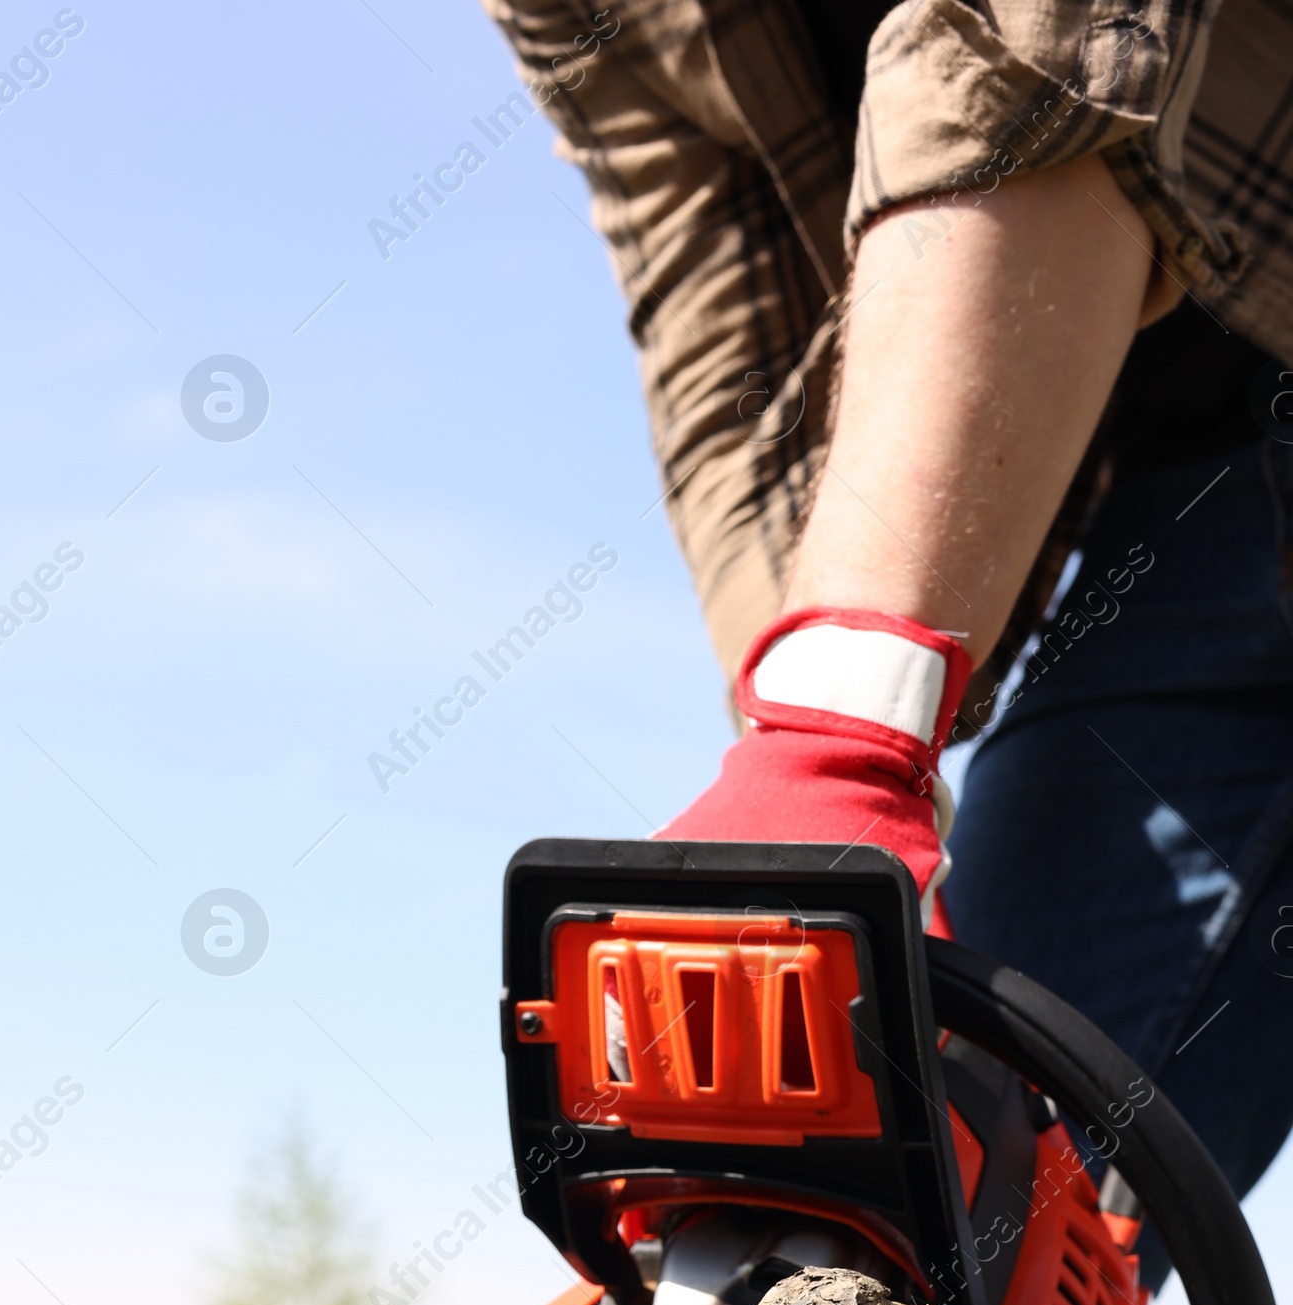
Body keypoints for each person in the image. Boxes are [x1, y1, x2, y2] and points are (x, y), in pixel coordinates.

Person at [482, 0, 1293, 1242]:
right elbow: (707, 277)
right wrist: (825, 847)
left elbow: (1042, 53)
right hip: (1190, 477)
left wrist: (840, 736)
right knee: (976, 1182)